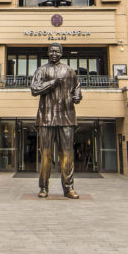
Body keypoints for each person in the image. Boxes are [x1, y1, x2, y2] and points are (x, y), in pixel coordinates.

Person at [30, 43, 82, 199]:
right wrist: (52, 83)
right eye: (51, 51)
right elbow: (34, 89)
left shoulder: (69, 70)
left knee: (67, 155)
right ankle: (43, 187)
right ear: (48, 53)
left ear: (61, 53)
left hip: (66, 117)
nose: (54, 54)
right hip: (46, 117)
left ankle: (68, 188)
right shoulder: (41, 70)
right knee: (45, 155)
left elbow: (77, 87)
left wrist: (77, 95)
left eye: (57, 51)